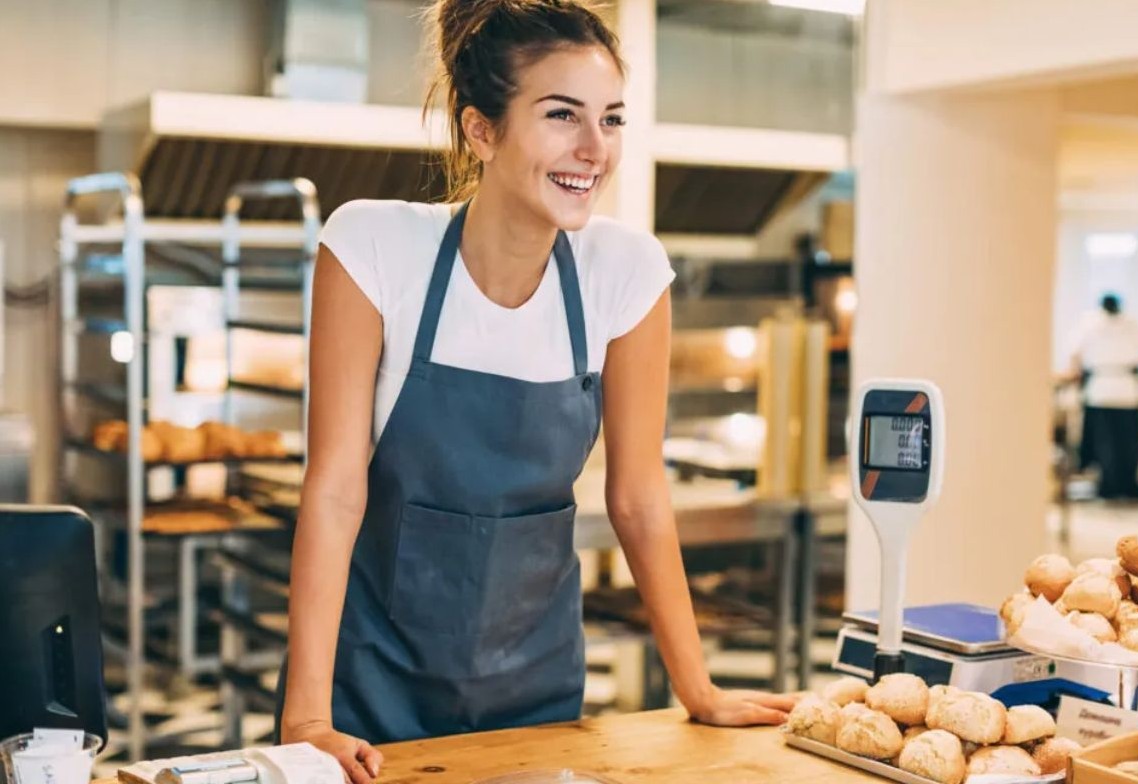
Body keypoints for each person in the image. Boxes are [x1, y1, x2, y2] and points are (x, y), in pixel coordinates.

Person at [276, 1, 799, 780]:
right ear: (480, 130)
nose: (594, 148)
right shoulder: (374, 247)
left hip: (536, 686)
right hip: (370, 683)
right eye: (562, 115)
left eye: (611, 119)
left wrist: (698, 688)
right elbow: (334, 490)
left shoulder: (625, 273)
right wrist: (307, 721)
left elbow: (638, 497)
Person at [1071, 293, 1138, 500]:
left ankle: (1117, 485)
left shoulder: (1126, 323)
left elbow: (1075, 354)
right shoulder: (1096, 322)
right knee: (1115, 443)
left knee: (1115, 444)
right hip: (1116, 388)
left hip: (1112, 388)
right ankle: (1115, 485)